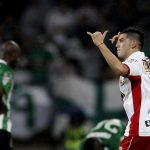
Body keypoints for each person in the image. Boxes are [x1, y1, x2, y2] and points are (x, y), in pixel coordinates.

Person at [87, 26, 150, 150]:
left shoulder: (136, 60)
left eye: (121, 41)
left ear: (133, 44)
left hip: (139, 130)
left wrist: (100, 44)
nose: (117, 44)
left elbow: (120, 69)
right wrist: (122, 41)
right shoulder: (145, 62)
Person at [0, 40, 21, 150]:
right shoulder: (6, 71)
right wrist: (3, 107)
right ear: (11, 55)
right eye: (18, 55)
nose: (19, 59)